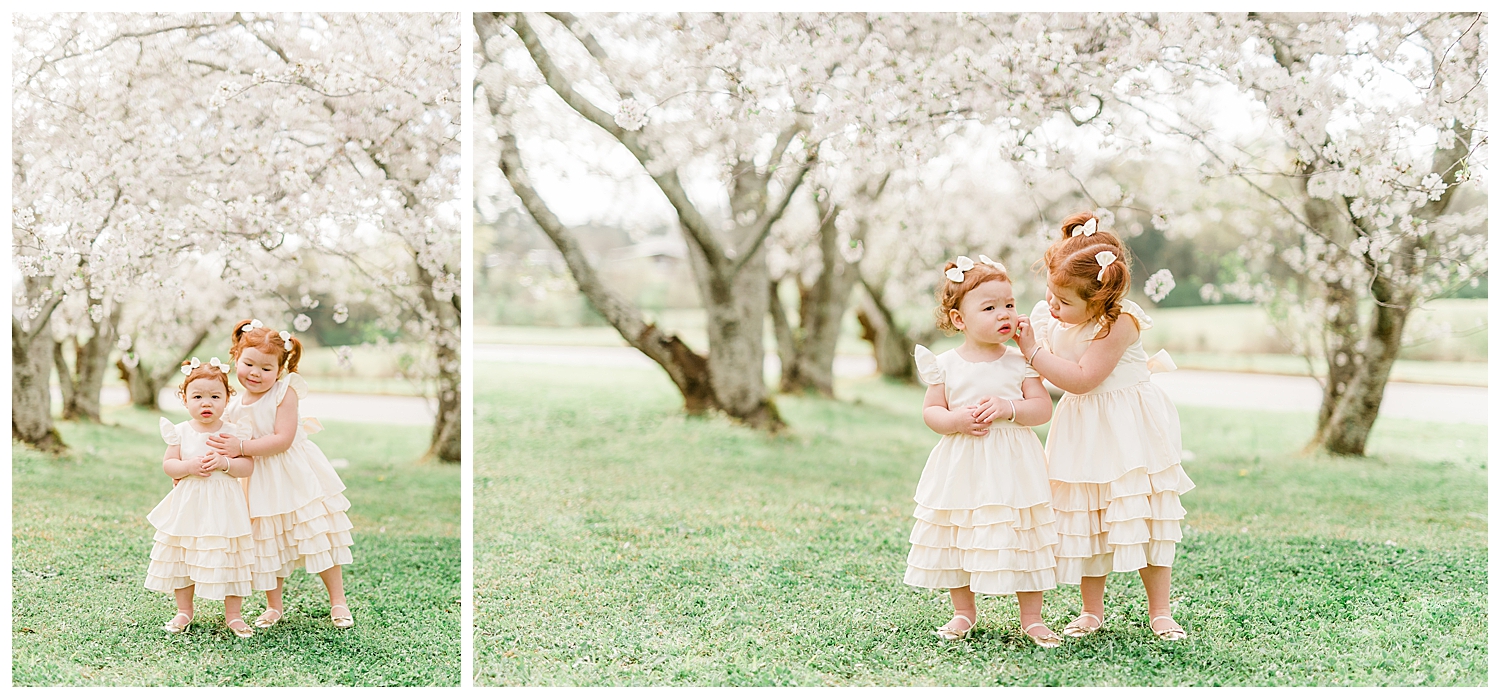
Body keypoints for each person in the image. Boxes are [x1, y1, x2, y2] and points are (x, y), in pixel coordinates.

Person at [1015, 213, 1193, 641]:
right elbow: (1045, 373)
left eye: (1064, 301)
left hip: (1129, 427)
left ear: (1098, 301)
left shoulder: (1119, 323)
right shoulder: (1050, 317)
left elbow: (1082, 378)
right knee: (1088, 516)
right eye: (1050, 295)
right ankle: (1091, 611)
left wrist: (1032, 353)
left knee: (1144, 513)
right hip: (1082, 426)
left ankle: (1161, 611)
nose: (1053, 307)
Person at [905, 255, 1062, 647]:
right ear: (959, 320)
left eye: (1009, 304)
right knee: (962, 532)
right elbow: (931, 412)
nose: (1003, 314)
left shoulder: (1021, 362)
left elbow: (1042, 410)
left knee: (1021, 532)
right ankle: (963, 611)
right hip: (964, 462)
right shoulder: (945, 365)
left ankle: (1032, 617)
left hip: (1013, 465)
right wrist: (955, 420)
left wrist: (1010, 409)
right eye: (989, 308)